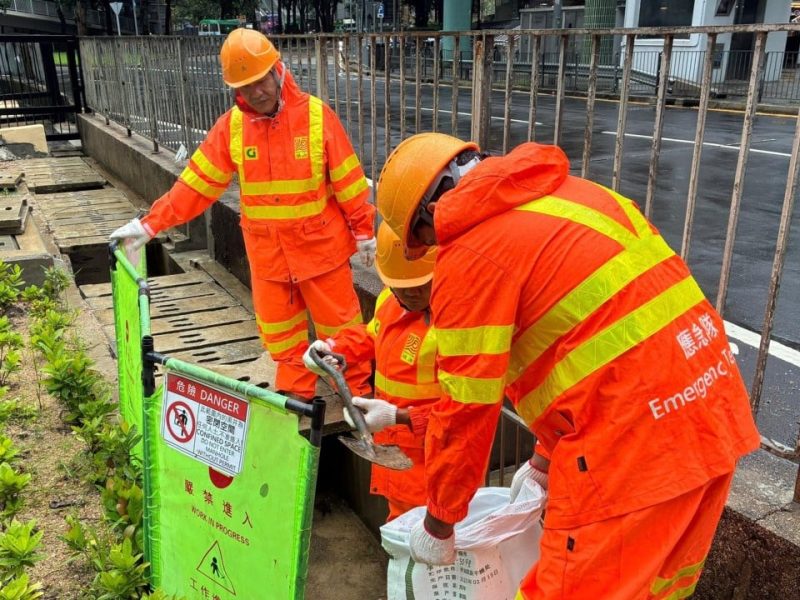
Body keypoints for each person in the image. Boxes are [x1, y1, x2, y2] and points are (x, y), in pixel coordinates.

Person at [368, 132, 760, 598]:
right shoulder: (580, 196)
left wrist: (439, 520)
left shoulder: (471, 253)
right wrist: (544, 456)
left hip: (632, 453)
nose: (434, 250)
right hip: (712, 417)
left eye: (423, 242)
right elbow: (595, 347)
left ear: (428, 215)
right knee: (657, 589)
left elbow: (466, 410)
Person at [110, 29, 375, 402]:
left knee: (344, 338)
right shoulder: (232, 128)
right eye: (245, 86)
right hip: (270, 261)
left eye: (260, 80)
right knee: (283, 344)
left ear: (277, 70)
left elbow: (348, 181)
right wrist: (151, 223)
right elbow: (197, 184)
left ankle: (356, 400)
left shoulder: (317, 118)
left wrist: (364, 231)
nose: (256, 92)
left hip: (322, 254)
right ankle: (296, 404)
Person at [302, 222, 439, 521]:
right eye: (402, 285)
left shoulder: (455, 326)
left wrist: (398, 417)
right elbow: (373, 336)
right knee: (399, 535)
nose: (412, 293)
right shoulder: (391, 302)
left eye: (421, 284)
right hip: (396, 455)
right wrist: (332, 346)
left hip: (435, 467)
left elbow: (463, 412)